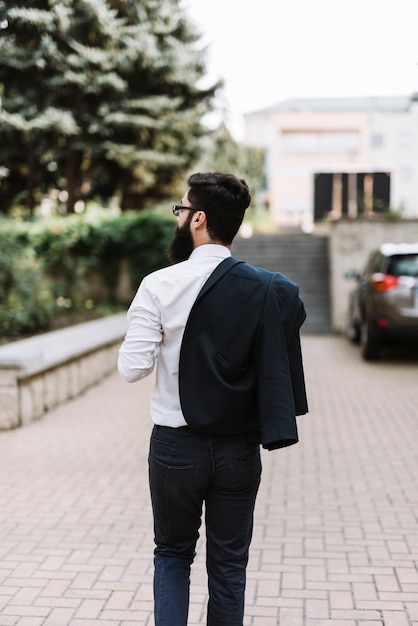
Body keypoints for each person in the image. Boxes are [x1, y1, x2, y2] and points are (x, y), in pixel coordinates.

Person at [118, 172, 308, 626]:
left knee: (172, 554)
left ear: (198, 219)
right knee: (228, 566)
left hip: (174, 449)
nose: (179, 216)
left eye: (181, 209)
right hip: (238, 452)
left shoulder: (159, 285)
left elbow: (131, 369)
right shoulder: (265, 288)